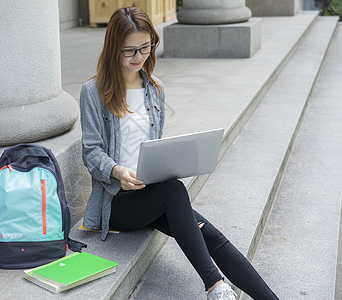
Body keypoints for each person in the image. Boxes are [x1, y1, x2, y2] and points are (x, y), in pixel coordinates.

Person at [79, 7, 279, 300]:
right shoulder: (93, 91)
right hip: (118, 202)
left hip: (152, 193)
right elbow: (91, 152)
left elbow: (152, 146)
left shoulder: (155, 90)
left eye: (145, 47)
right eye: (129, 51)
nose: (138, 57)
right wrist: (118, 171)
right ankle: (213, 285)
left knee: (212, 236)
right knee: (174, 191)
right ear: (113, 49)